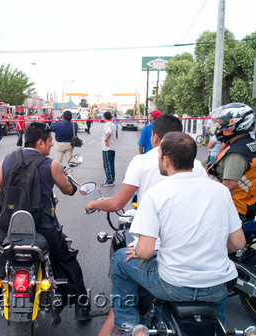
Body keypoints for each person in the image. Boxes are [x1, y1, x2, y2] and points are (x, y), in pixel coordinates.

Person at [107, 132, 245, 335]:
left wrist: (137, 251)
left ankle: (127, 322)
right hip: (216, 287)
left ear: (167, 159)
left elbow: (145, 252)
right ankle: (220, 326)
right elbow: (238, 242)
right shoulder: (220, 191)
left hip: (173, 285)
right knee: (218, 324)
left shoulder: (156, 193)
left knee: (120, 259)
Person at [86, 114, 207, 336]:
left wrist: (94, 203)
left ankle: (126, 321)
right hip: (202, 262)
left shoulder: (143, 165)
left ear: (155, 139)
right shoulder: (199, 169)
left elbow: (118, 203)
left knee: (122, 264)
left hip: (160, 254)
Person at [0, 122, 91, 320]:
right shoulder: (51, 165)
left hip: (8, 228)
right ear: (40, 142)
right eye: (50, 141)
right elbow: (68, 190)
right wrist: (72, 187)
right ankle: (81, 306)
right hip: (44, 230)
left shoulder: (7, 159)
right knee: (66, 259)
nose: (52, 145)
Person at [207, 103, 256, 222]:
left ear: (235, 124)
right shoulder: (248, 144)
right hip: (244, 205)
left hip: (233, 210)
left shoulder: (237, 153)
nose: (217, 126)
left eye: (221, 122)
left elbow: (228, 188)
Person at [102, 112, 117, 187]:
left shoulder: (106, 125)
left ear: (104, 117)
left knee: (107, 165)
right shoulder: (113, 124)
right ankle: (111, 179)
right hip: (112, 147)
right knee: (111, 164)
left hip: (107, 148)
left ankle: (110, 181)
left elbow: (109, 132)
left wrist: (106, 140)